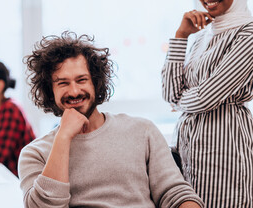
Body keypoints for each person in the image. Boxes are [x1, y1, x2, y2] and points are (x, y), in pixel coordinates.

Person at [18, 31, 204, 208]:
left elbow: (174, 193)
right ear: (50, 92)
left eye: (81, 80)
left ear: (96, 84)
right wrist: (63, 137)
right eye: (63, 83)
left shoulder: (142, 130)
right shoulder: (34, 154)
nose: (74, 91)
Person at [161, 0, 253, 207]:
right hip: (187, 151)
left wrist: (179, 102)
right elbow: (169, 93)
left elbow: (205, 98)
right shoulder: (202, 36)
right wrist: (181, 36)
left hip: (225, 152)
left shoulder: (248, 34)